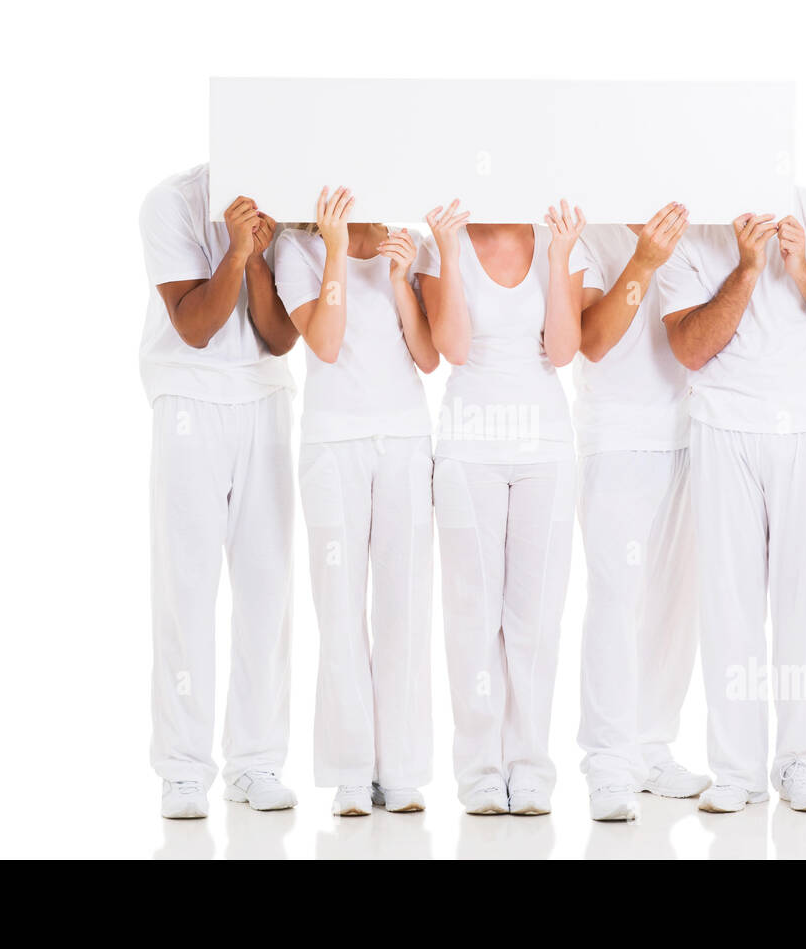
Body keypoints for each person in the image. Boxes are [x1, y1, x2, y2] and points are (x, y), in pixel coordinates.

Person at [658, 189, 806, 813]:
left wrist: (802, 268)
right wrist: (749, 267)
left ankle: (802, 764)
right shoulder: (693, 230)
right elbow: (689, 348)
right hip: (724, 430)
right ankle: (737, 770)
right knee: (728, 605)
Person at [414, 200, 590, 815]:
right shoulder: (444, 241)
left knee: (535, 618)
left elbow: (565, 350)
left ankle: (530, 767)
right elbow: (454, 349)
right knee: (473, 616)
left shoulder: (558, 237)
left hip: (545, 446)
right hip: (469, 447)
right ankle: (481, 771)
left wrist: (562, 254)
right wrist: (450, 249)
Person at [138, 164, 300, 819]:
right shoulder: (170, 203)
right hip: (189, 400)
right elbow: (194, 325)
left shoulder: (288, 203)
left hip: (262, 399)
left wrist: (259, 259)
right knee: (186, 587)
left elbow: (281, 337)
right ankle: (182, 769)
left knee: (267, 589)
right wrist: (234, 252)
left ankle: (256, 762)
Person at [273, 186, 440, 817]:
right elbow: (326, 343)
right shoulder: (297, 249)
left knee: (403, 604)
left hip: (401, 439)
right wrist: (338, 248)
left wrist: (402, 280)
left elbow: (427, 356)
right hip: (333, 442)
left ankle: (398, 770)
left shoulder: (409, 243)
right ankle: (349, 770)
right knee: (339, 605)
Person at [573, 205, 713, 822]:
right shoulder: (589, 233)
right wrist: (645, 260)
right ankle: (608, 763)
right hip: (617, 439)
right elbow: (594, 341)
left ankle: (652, 745)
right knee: (615, 601)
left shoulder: (696, 226)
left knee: (674, 604)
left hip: (691, 433)